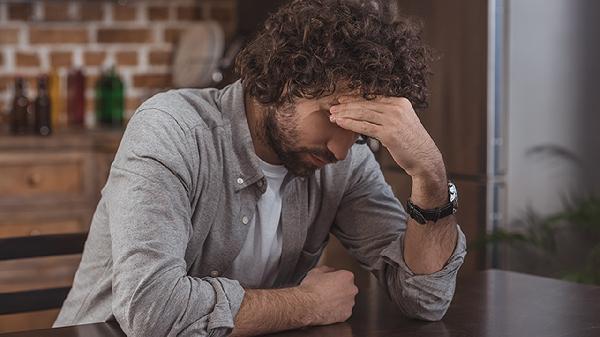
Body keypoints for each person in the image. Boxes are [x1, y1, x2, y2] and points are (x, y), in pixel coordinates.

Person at [54, 0, 466, 336]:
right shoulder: (172, 129)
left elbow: (425, 300)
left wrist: (430, 174)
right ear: (284, 82)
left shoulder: (346, 162)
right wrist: (307, 305)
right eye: (333, 118)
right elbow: (151, 312)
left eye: (360, 130)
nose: (341, 150)